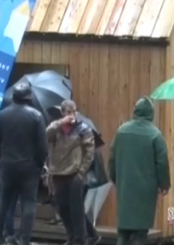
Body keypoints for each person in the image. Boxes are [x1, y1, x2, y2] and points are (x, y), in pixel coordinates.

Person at [0, 81, 48, 245]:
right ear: (29, 97)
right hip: (29, 165)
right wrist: (40, 163)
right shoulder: (36, 116)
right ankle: (24, 239)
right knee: (28, 202)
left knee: (4, 200)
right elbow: (42, 146)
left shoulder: (2, 115)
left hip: (7, 164)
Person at [109, 97, 170, 245]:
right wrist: (164, 184)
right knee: (140, 232)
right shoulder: (155, 134)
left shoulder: (121, 131)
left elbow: (112, 158)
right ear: (151, 113)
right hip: (145, 191)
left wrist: (115, 179)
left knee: (123, 231)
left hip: (125, 188)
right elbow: (162, 163)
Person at [46, 100, 96, 245]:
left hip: (75, 173)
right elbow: (47, 134)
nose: (72, 115)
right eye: (68, 112)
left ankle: (80, 239)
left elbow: (89, 153)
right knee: (62, 207)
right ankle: (71, 235)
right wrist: (61, 122)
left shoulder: (83, 129)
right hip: (57, 172)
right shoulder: (56, 128)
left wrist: (81, 172)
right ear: (62, 113)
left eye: (74, 111)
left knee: (76, 208)